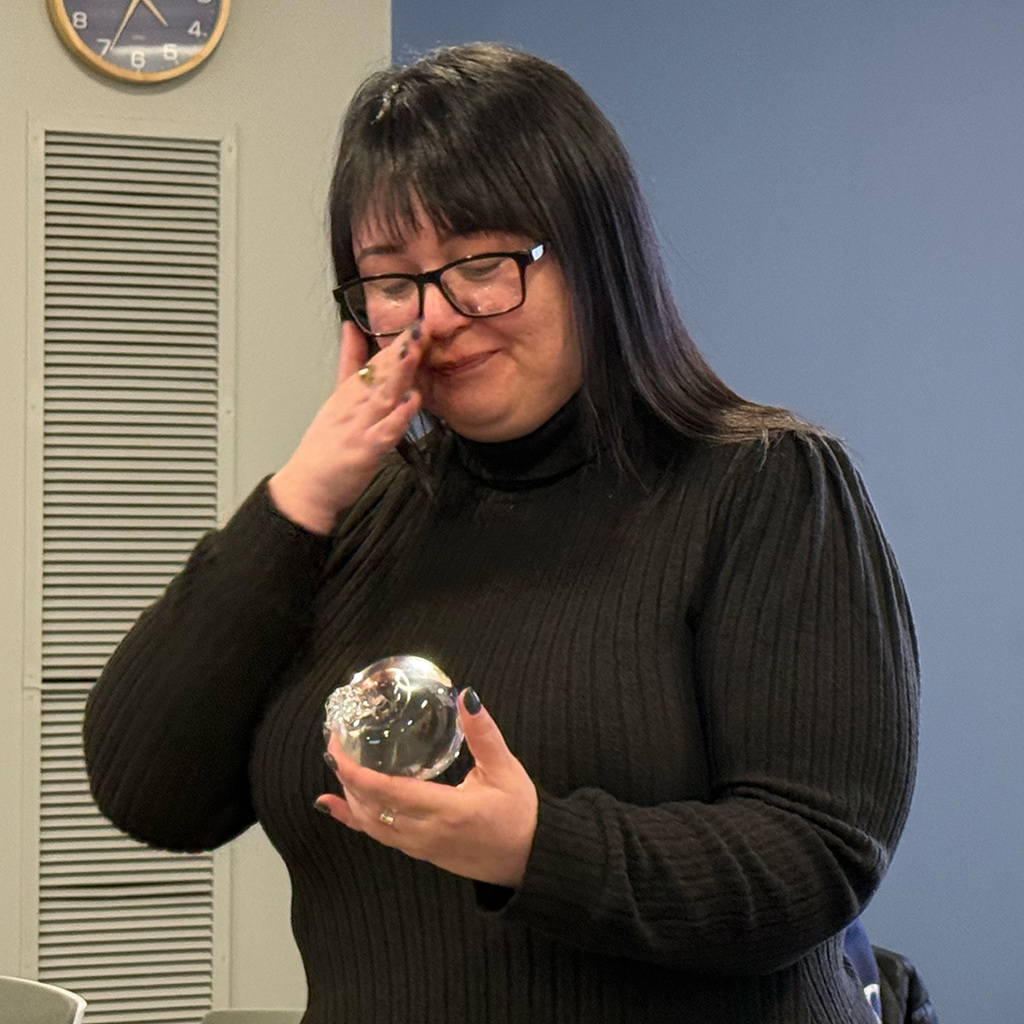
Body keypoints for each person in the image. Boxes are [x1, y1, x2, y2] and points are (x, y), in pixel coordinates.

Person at [84, 43, 919, 1024]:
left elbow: (815, 854)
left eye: (481, 264)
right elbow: (150, 791)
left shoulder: (764, 485)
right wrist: (299, 498)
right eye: (391, 282)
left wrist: (534, 848)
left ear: (594, 256)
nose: (436, 318)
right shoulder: (360, 515)